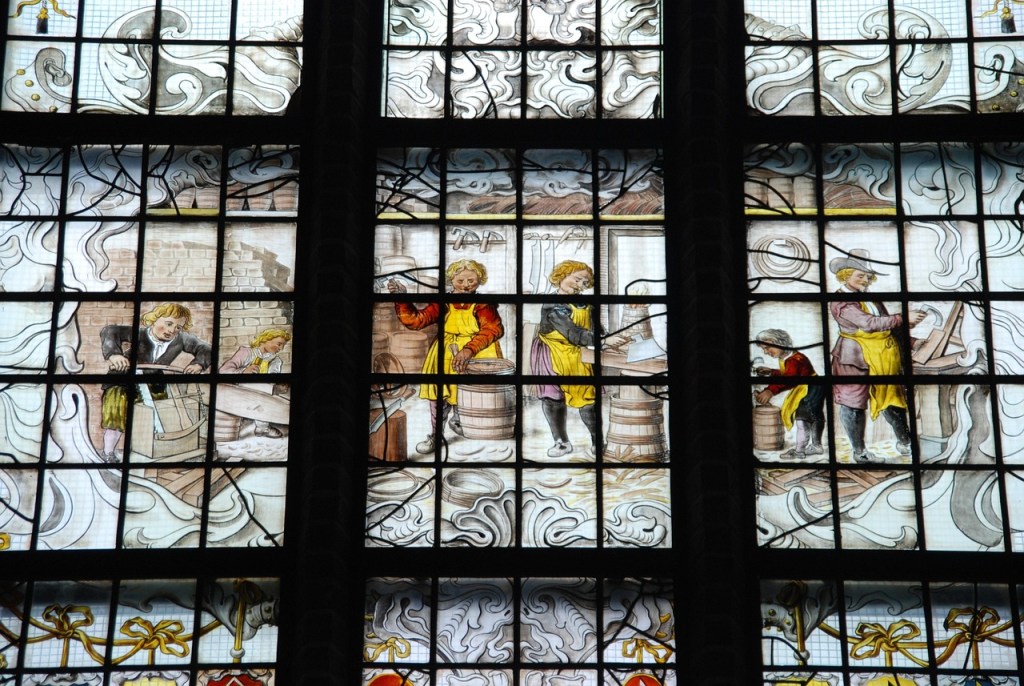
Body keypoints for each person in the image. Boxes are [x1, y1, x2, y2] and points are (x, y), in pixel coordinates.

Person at [389, 259, 504, 453]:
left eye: (471, 281)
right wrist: (402, 297)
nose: (466, 285)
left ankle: (463, 422)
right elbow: (416, 321)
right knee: (438, 394)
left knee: (470, 393)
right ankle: (436, 435)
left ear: (480, 280)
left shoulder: (483, 304)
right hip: (445, 353)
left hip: (477, 353)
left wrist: (469, 349)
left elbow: (493, 329)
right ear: (452, 280)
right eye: (460, 281)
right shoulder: (444, 301)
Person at [829, 249, 926, 462]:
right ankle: (860, 452)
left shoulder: (871, 297)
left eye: (868, 276)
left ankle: (905, 442)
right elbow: (869, 324)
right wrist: (903, 317)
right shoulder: (841, 302)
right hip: (852, 359)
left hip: (884, 357)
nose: (865, 280)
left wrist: (912, 342)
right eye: (860, 275)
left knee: (892, 399)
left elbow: (887, 326)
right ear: (845, 275)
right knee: (853, 404)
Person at [531, 260, 627, 458]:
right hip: (550, 353)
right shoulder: (552, 305)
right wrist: (604, 341)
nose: (579, 285)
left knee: (588, 399)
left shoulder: (588, 304)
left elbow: (596, 329)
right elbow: (573, 333)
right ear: (561, 276)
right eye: (576, 279)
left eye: (584, 283)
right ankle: (561, 442)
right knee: (553, 398)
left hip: (578, 354)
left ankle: (597, 442)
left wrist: (609, 339)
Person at [100, 303, 212, 462]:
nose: (172, 330)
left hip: (153, 383)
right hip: (122, 381)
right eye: (169, 323)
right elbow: (109, 331)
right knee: (116, 414)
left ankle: (162, 450)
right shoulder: (139, 334)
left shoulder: (180, 340)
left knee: (164, 412)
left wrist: (198, 364)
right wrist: (114, 355)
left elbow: (206, 348)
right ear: (154, 319)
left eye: (178, 327)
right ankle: (108, 453)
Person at [753, 329, 825, 459]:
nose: (765, 352)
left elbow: (789, 379)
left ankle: (800, 451)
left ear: (780, 342)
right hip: (813, 387)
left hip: (809, 390)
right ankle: (816, 446)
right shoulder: (790, 357)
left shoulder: (795, 359)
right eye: (763, 349)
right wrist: (771, 372)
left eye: (767, 347)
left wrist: (770, 390)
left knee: (803, 420)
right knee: (813, 417)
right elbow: (788, 373)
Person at [219, 328, 292, 438]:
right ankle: (263, 427)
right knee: (262, 387)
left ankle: (262, 428)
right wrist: (244, 371)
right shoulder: (246, 353)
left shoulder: (275, 361)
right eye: (279, 344)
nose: (281, 348)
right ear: (266, 340)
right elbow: (223, 371)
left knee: (268, 390)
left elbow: (272, 377)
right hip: (238, 390)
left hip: (261, 393)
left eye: (283, 345)